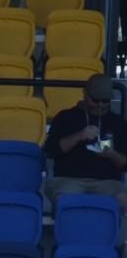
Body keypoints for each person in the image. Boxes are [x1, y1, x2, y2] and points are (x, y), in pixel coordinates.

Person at [41, 72, 127, 223]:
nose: (100, 105)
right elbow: (51, 150)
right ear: (85, 94)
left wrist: (111, 154)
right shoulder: (65, 117)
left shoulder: (118, 123)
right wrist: (79, 136)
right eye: (96, 100)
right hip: (69, 180)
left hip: (107, 182)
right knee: (63, 200)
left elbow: (124, 163)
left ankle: (107, 242)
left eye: (105, 101)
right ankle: (70, 241)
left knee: (122, 200)